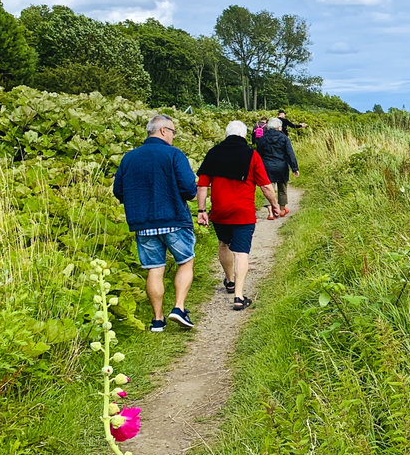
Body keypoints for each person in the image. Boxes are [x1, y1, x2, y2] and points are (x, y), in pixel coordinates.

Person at [113, 114, 197, 331]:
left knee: (155, 268)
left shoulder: (129, 158)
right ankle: (178, 308)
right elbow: (189, 188)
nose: (173, 137)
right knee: (185, 261)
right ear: (163, 131)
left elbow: (118, 191)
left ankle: (157, 320)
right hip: (174, 219)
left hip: (142, 222)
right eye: (173, 132)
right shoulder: (173, 154)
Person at [196, 120, 281, 311]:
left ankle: (229, 280)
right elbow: (266, 186)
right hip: (243, 212)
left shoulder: (214, 153)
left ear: (227, 134)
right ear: (244, 135)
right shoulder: (252, 155)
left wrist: (201, 211)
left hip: (220, 211)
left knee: (224, 244)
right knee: (241, 252)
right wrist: (275, 205)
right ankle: (239, 296)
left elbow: (202, 185)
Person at [256, 116, 299, 211]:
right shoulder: (284, 138)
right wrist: (294, 168)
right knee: (282, 189)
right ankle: (282, 209)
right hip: (282, 166)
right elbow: (290, 154)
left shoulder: (262, 139)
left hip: (267, 166)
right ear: (279, 127)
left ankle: (270, 212)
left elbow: (258, 154)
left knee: (268, 188)